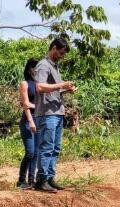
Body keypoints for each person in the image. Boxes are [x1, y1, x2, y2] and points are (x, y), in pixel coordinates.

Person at [34, 38, 76, 193]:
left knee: (55, 148)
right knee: (47, 147)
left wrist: (65, 89)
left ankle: (50, 178)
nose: (62, 56)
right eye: (61, 52)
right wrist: (61, 85)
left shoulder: (54, 67)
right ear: (53, 48)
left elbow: (52, 90)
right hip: (47, 114)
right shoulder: (43, 65)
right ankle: (41, 180)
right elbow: (40, 87)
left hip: (57, 112)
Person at [17, 58, 39, 189]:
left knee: (36, 152)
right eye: (35, 68)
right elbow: (25, 105)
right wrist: (31, 121)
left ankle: (31, 180)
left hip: (39, 119)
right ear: (30, 69)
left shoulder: (39, 84)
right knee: (30, 152)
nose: (37, 70)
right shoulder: (24, 83)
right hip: (28, 120)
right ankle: (21, 181)